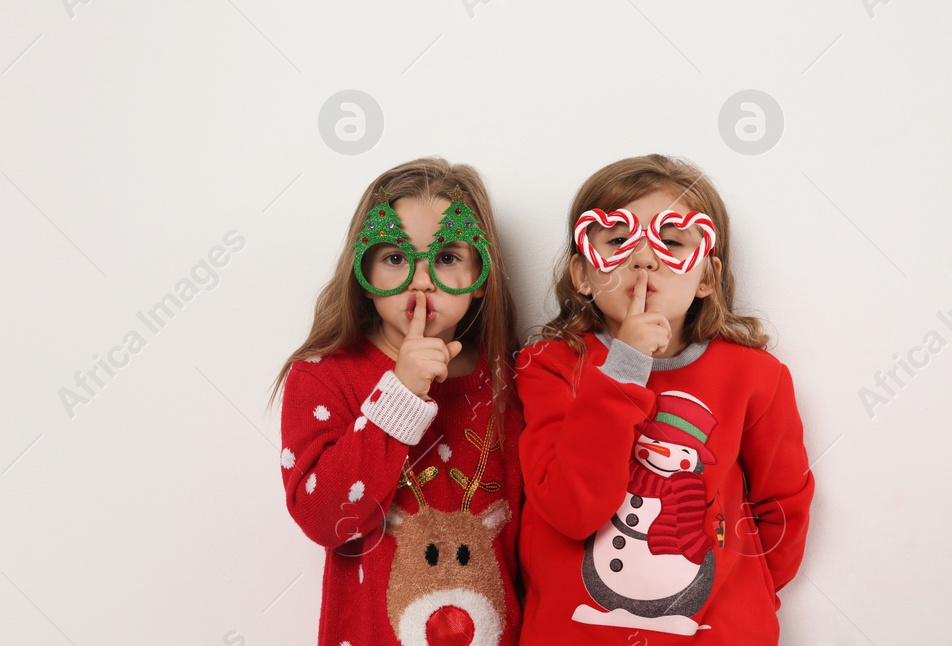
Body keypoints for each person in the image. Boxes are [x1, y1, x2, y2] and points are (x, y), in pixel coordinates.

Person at [515, 154, 814, 643]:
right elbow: (573, 510)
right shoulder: (548, 367)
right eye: (617, 240)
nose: (645, 258)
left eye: (672, 242)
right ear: (582, 274)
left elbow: (784, 505)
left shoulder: (756, 376)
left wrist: (745, 599)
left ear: (706, 278)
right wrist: (626, 368)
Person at [270, 157, 524, 646]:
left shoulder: (510, 378)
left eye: (448, 257)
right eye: (395, 258)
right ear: (362, 271)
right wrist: (401, 395)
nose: (422, 280)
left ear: (481, 274)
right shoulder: (325, 378)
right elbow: (325, 518)